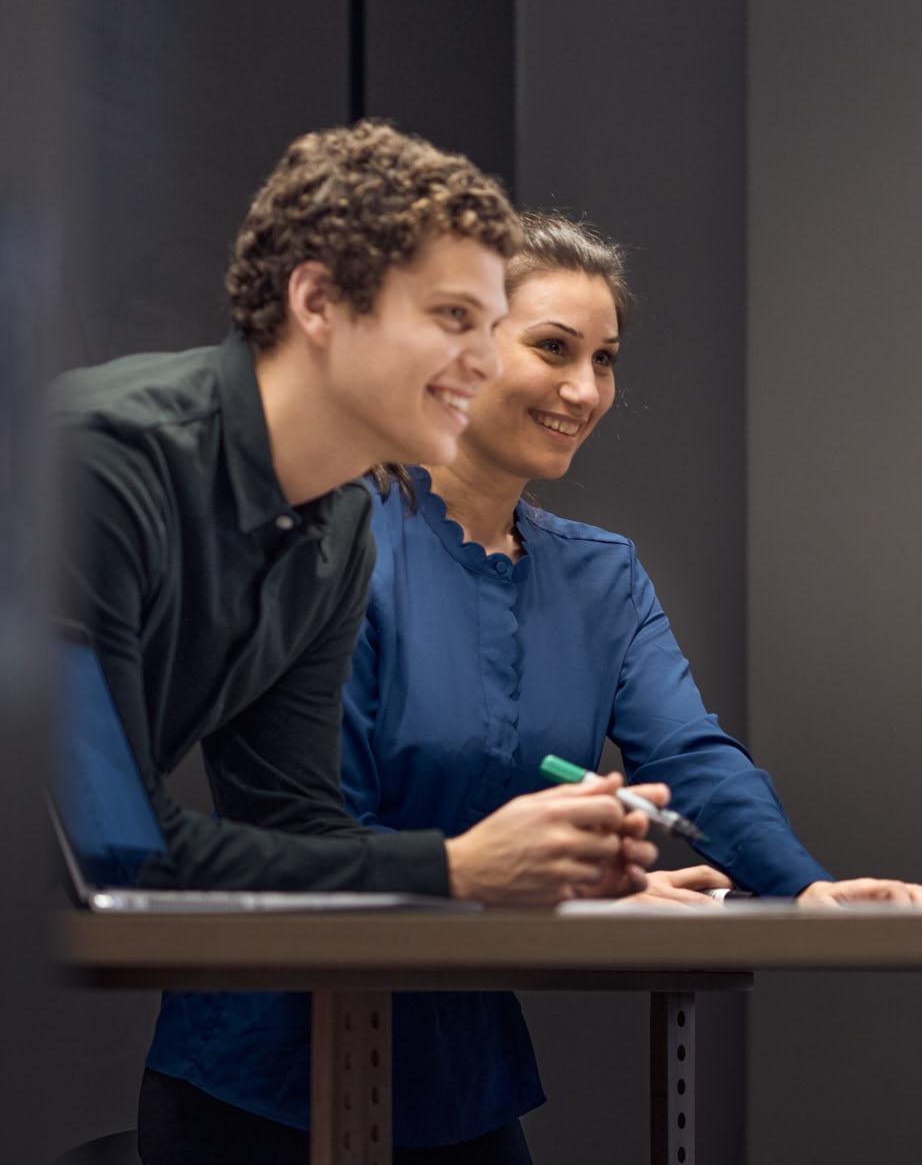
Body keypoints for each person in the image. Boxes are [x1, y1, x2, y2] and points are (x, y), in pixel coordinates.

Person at [141, 211, 922, 1162]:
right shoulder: (319, 548)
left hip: (457, 1080)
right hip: (269, 1078)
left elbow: (688, 755)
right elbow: (316, 830)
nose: (585, 389)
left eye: (604, 359)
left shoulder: (602, 576)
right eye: (553, 348)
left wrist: (801, 889)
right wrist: (566, 903)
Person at [55, 123, 654, 908]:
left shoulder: (336, 525)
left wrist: (520, 873)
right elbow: (110, 844)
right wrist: (456, 870)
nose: (482, 361)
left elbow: (299, 825)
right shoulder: (100, 464)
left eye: (487, 326)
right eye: (452, 317)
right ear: (317, 301)